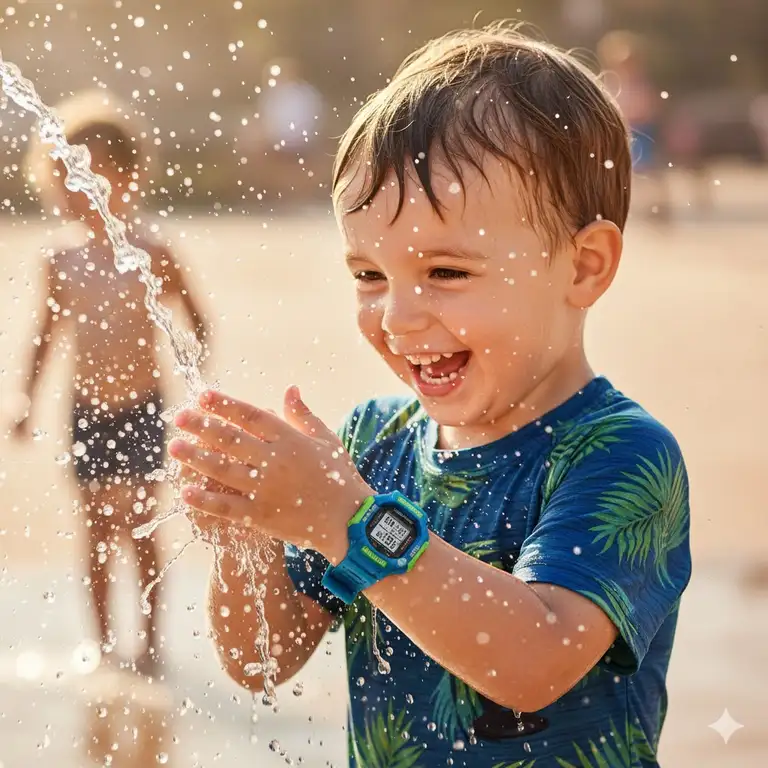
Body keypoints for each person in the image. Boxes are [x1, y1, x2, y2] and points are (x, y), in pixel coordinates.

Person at [168, 24, 691, 766]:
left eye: (445, 272)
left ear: (583, 268)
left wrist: (348, 519)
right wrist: (249, 541)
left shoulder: (620, 457)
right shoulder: (369, 447)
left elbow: (533, 661)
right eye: (368, 275)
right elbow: (261, 657)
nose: (397, 316)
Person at [11, 89, 209, 678]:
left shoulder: (152, 252)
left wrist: (199, 385)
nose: (83, 190)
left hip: (145, 407)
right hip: (87, 409)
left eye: (98, 175)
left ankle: (148, 644)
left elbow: (196, 321)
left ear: (130, 178)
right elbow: (44, 338)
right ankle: (103, 648)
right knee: (97, 529)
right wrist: (25, 401)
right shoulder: (59, 259)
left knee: (143, 526)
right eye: (70, 178)